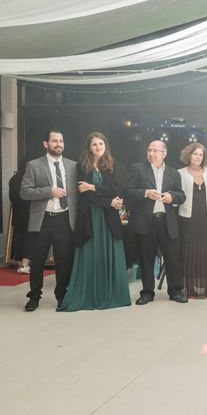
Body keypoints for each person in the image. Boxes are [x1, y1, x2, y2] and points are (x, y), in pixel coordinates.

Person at [58, 132, 131, 311]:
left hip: (109, 218)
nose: (98, 147)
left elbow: (114, 188)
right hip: (90, 216)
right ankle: (89, 295)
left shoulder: (115, 166)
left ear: (106, 146)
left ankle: (111, 295)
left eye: (101, 144)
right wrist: (107, 200)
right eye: (94, 145)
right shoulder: (82, 166)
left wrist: (92, 186)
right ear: (89, 148)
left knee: (111, 255)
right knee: (90, 255)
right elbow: (87, 196)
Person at [20, 130, 78, 311]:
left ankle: (62, 295)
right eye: (54, 141)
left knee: (64, 261)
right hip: (42, 219)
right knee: (37, 261)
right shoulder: (34, 165)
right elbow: (24, 192)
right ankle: (34, 297)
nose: (58, 144)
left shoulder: (73, 166)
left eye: (61, 140)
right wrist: (49, 191)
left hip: (65, 219)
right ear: (46, 144)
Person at [125, 140, 187, 305]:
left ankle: (175, 291)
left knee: (172, 258)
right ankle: (147, 292)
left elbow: (181, 195)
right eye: (149, 150)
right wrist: (145, 193)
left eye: (155, 151)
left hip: (167, 221)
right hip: (146, 222)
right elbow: (128, 192)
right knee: (146, 259)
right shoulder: (137, 169)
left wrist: (171, 197)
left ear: (164, 154)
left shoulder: (174, 173)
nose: (151, 153)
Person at [178, 143, 207, 299]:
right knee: (188, 253)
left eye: (200, 155)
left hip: (206, 217)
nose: (197, 157)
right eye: (195, 154)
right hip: (186, 218)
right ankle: (189, 290)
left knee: (206, 253)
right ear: (189, 155)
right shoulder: (180, 173)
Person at [9, 159, 31, 273]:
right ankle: (25, 264)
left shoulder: (13, 179)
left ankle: (19, 264)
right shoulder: (28, 179)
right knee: (28, 239)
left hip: (17, 213)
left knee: (18, 238)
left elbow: (11, 198)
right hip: (28, 213)